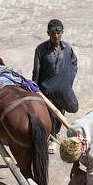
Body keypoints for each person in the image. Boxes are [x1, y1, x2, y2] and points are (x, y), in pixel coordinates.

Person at [32, 19, 79, 151]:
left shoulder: (67, 48)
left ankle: (55, 132)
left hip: (63, 88)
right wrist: (34, 88)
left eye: (58, 33)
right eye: (53, 33)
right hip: (47, 89)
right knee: (52, 114)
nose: (56, 36)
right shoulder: (41, 50)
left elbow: (74, 63)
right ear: (48, 33)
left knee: (72, 107)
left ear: (62, 33)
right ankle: (52, 138)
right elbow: (36, 70)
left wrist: (69, 79)